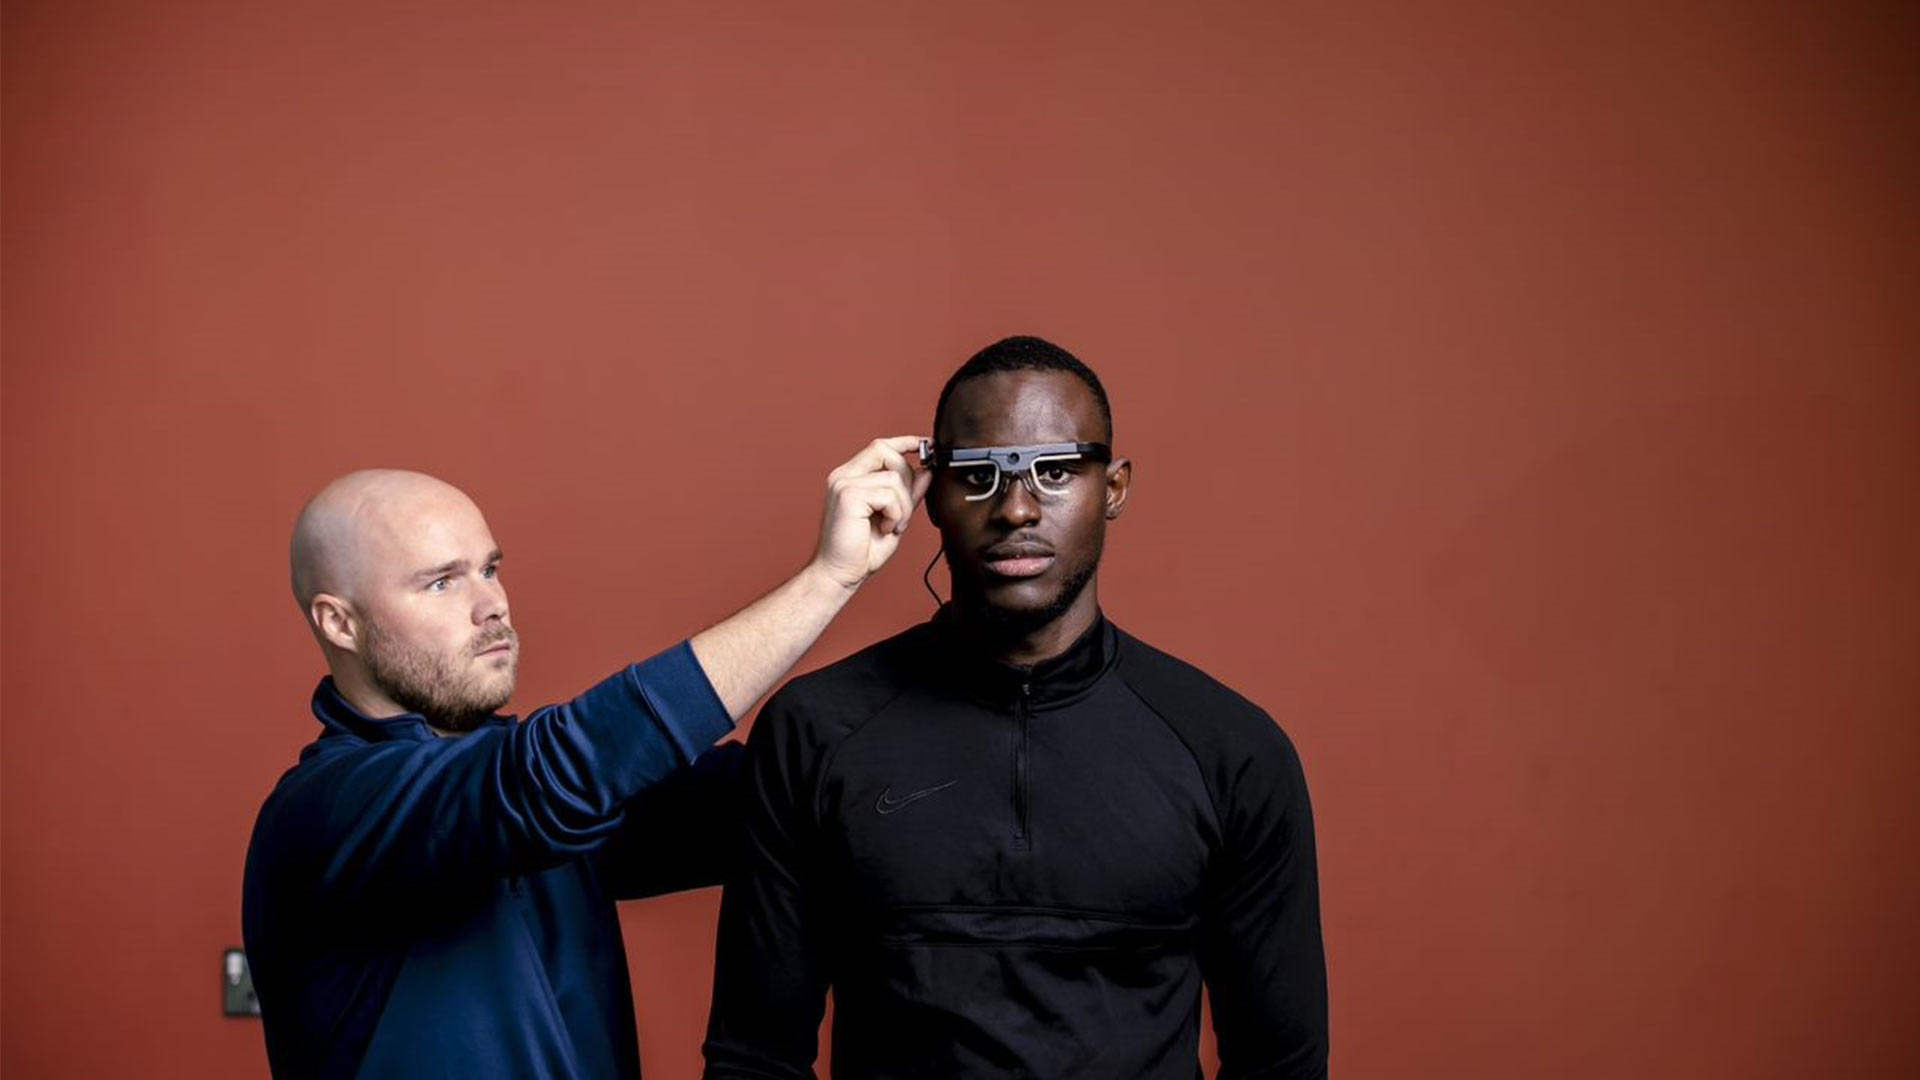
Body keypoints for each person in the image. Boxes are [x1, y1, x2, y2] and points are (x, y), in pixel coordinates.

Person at [703, 337, 1329, 1079]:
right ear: (928, 494)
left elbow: (1280, 1063)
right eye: (977, 476)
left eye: (1056, 471)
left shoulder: (1232, 751)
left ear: (1116, 488)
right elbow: (754, 1057)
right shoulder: (816, 731)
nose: (1017, 508)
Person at [243, 437, 931, 1080]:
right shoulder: (328, 810)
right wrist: (828, 580)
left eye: (490, 568)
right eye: (441, 583)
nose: (494, 606)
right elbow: (558, 777)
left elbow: (778, 796)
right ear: (340, 623)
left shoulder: (538, 799)